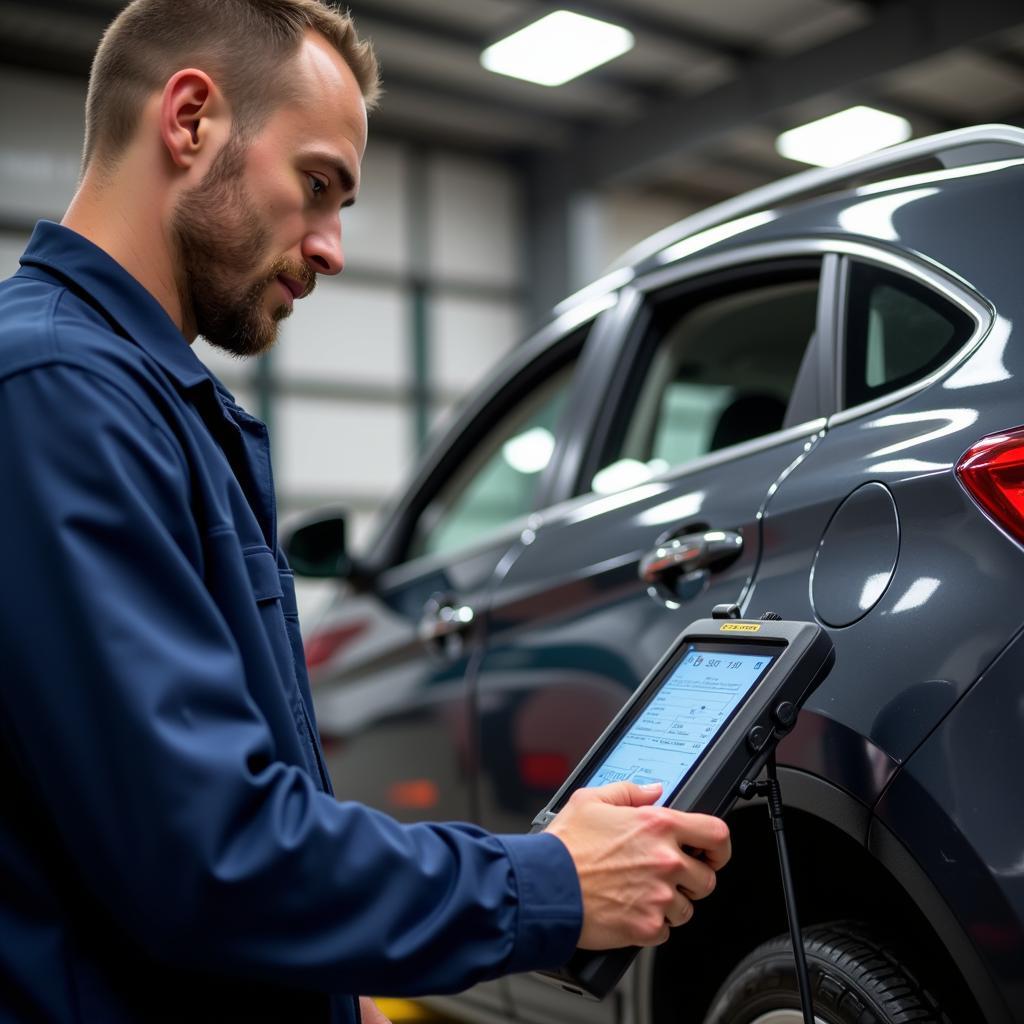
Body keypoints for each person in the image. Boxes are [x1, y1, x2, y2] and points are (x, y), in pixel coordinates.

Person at [0, 2, 732, 1022]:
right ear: (191, 120)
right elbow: (210, 854)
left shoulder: (155, 404)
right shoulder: (55, 394)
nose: (332, 247)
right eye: (315, 186)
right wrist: (550, 883)